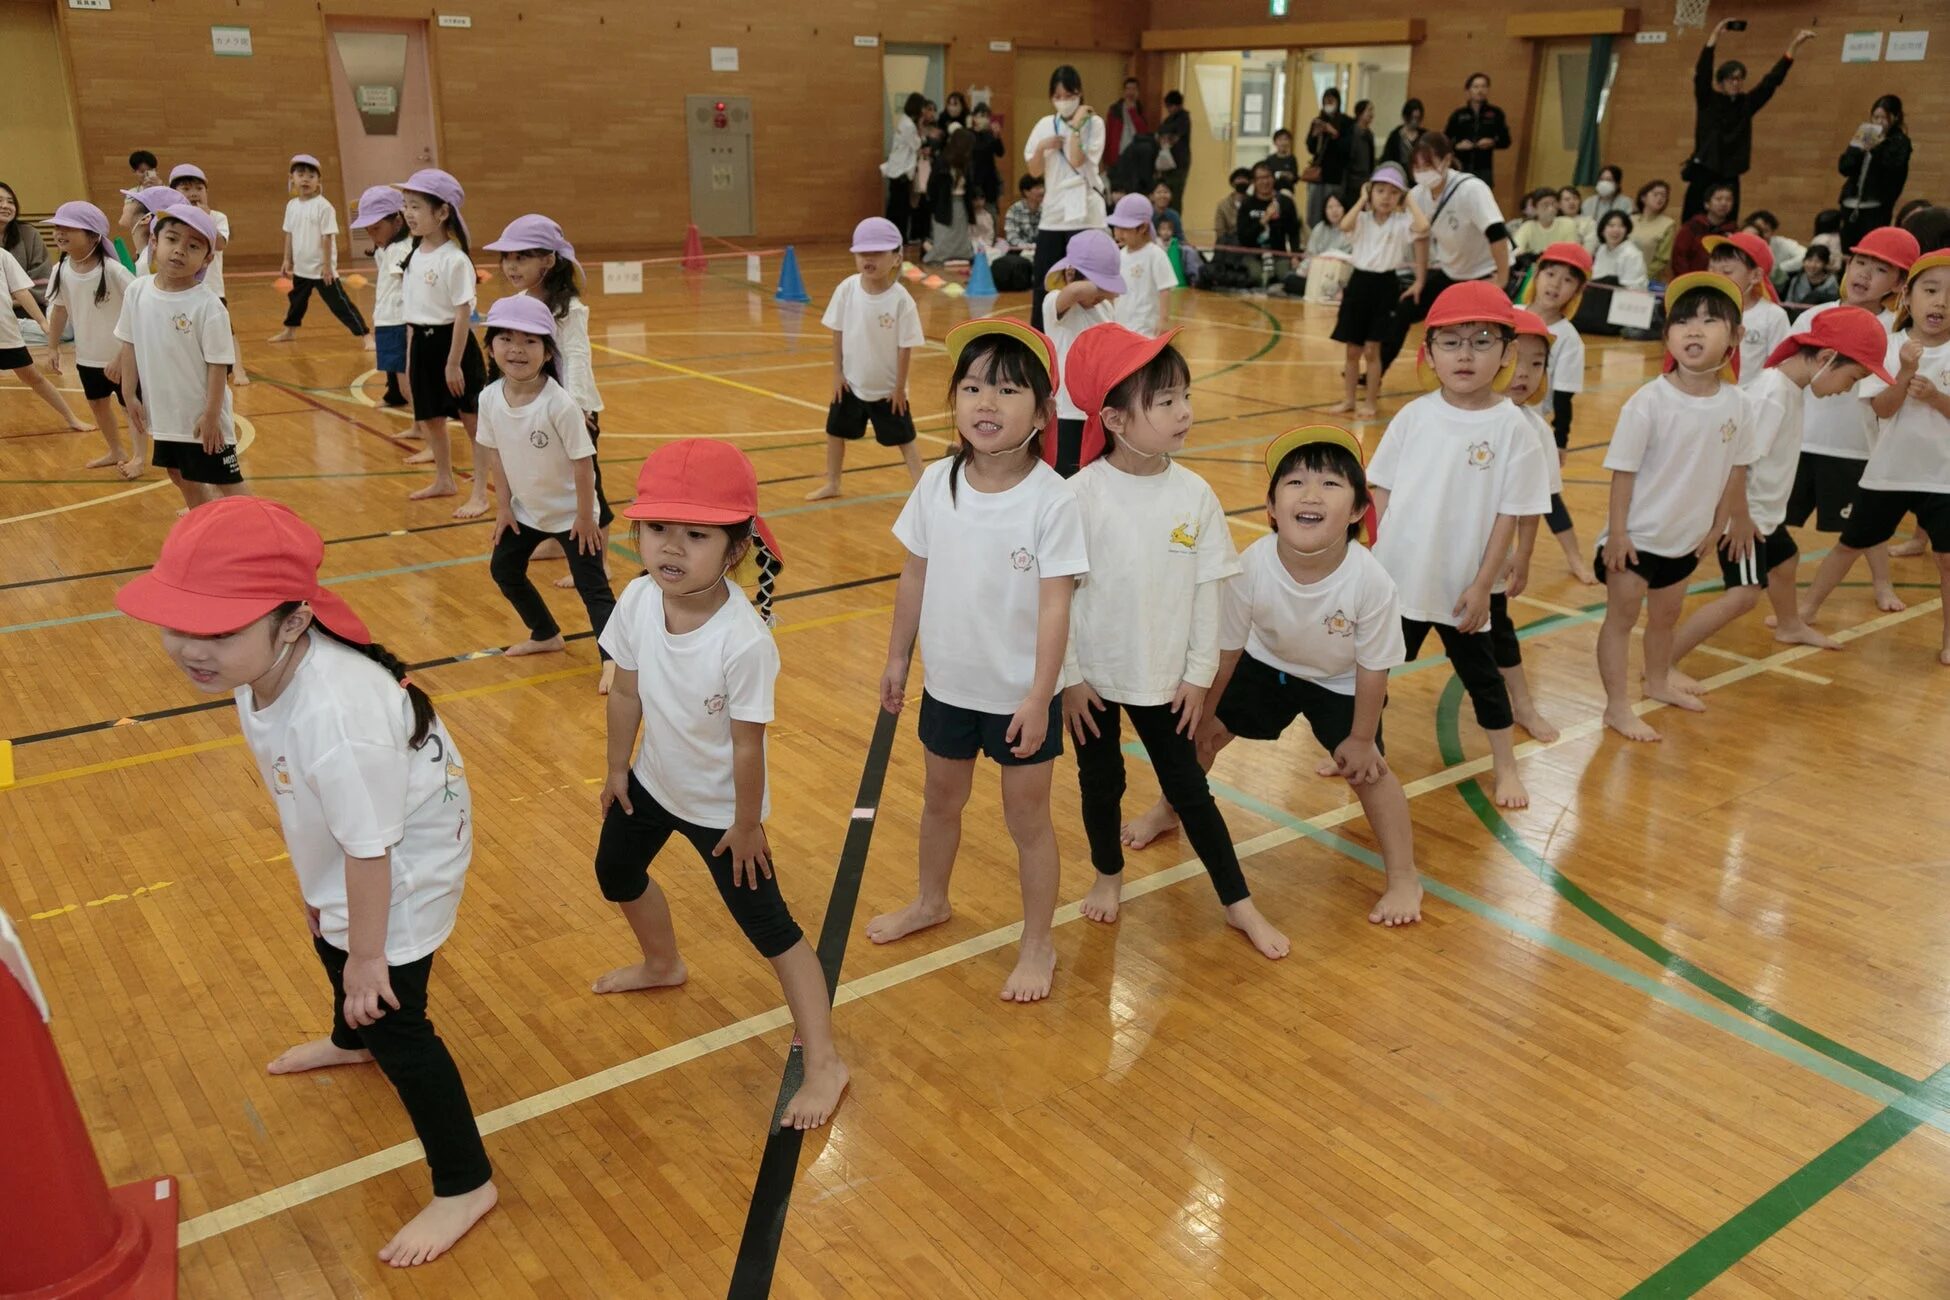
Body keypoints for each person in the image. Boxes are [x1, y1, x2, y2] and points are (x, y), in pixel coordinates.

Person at [113, 497, 501, 1266]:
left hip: (400, 868)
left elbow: (372, 851)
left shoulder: (337, 711)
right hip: (357, 842)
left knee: (394, 1016)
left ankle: (466, 1182)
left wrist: (367, 956)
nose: (191, 647)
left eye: (217, 631)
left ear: (292, 621)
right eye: (177, 624)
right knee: (332, 938)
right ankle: (347, 1040)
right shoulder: (258, 666)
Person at [594, 440, 849, 1128]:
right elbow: (625, 690)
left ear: (734, 549)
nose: (670, 548)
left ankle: (825, 1061)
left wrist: (743, 826)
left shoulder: (743, 641)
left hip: (721, 813)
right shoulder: (641, 598)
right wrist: (619, 768)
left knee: (773, 932)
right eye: (656, 530)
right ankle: (662, 963)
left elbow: (747, 744)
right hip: (651, 783)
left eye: (696, 535)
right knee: (615, 873)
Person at [869, 319, 1090, 1004]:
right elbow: (914, 575)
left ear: (1043, 413)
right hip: (950, 687)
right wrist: (899, 658)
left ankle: (1038, 942)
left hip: (1021, 696)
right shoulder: (938, 482)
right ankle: (931, 899)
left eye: (1006, 389)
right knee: (941, 802)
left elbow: (1057, 607)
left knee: (1027, 822)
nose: (985, 403)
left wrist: (1038, 696)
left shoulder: (1054, 500)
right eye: (971, 387)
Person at [1057, 324, 1291, 955]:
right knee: (1099, 782)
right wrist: (1069, 679)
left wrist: (1197, 677)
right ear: (1113, 417)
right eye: (1165, 401)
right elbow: (1053, 602)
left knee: (1189, 788)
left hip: (1169, 681)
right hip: (1093, 680)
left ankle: (1239, 902)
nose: (1185, 410)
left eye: (1184, 394)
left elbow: (1207, 593)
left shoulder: (1195, 494)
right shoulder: (1076, 498)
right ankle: (1108, 875)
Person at [1369, 283, 1551, 807]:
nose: (1465, 354)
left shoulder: (1514, 429)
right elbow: (1379, 489)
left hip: (1460, 591)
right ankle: (1362, 747)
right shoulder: (1414, 416)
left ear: (1506, 354)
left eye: (1481, 340)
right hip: (1396, 581)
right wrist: (1366, 560)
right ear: (1429, 354)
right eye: (1451, 343)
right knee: (1372, 675)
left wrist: (1481, 585)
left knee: (1485, 683)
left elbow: (1508, 516)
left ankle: (1505, 765)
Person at [1668, 306, 1891, 679]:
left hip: (1761, 514)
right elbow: (1734, 462)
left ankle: (1790, 624)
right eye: (1852, 379)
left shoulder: (1788, 389)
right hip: (1743, 517)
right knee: (1743, 597)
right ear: (1825, 358)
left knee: (1785, 561)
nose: (1846, 391)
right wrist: (1738, 519)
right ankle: (1663, 662)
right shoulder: (1772, 394)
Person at [1593, 273, 1754, 741]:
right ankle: (1617, 706)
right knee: (1621, 619)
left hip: (1687, 540)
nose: (1695, 330)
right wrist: (1618, 533)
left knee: (1665, 617)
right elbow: (1623, 473)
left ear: (1736, 337)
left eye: (1709, 320)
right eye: (1682, 322)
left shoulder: (1738, 405)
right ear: (1667, 337)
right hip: (1637, 539)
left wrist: (1716, 527)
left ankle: (1659, 680)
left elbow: (1735, 469)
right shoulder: (1647, 403)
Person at [1795, 250, 1950, 663]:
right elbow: (1881, 408)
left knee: (1947, 559)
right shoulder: (1889, 344)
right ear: (1908, 297)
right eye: (1931, 291)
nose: (1940, 302)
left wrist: (1936, 397)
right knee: (1850, 544)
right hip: (1887, 471)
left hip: (1942, 476)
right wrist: (1902, 375)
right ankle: (1805, 611)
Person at [473, 296, 615, 687]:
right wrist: (504, 508)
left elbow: (584, 464)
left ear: (548, 351)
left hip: (573, 514)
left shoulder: (559, 404)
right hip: (526, 512)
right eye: (506, 338)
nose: (516, 349)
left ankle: (615, 660)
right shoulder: (489, 399)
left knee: (593, 589)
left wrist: (586, 517)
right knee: (504, 569)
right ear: (491, 347)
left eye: (530, 341)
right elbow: (496, 456)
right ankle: (545, 633)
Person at [1782, 225, 1916, 613]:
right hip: (1800, 439)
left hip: (1855, 446)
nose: (1863, 275)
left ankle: (1882, 583)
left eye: (1879, 270)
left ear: (1898, 283)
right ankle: (1759, 576)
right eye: (1860, 263)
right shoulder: (1814, 317)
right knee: (1775, 515)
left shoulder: (1896, 335)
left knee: (1864, 528)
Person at [115, 205, 245, 508]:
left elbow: (218, 366)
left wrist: (212, 415)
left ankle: (260, 542)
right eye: (172, 239)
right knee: (179, 473)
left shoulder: (208, 305)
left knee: (228, 483)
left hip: (202, 417)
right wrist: (128, 394)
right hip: (163, 412)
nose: (179, 251)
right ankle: (207, 530)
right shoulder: (137, 291)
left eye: (193, 246)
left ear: (207, 259)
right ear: (154, 243)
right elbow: (129, 344)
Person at [1489, 309, 1571, 741]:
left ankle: (1522, 706)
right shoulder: (1463, 414)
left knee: (1500, 635)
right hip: (1429, 560)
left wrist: (1522, 556)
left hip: (1487, 565)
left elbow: (1533, 504)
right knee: (1392, 645)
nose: (1524, 373)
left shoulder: (1535, 429)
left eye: (1537, 364)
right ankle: (1358, 734)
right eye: (1517, 360)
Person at [807, 217, 926, 500]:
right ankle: (833, 483)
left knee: (906, 441)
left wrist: (899, 387)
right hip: (850, 385)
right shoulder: (847, 289)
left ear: (896, 258)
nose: (868, 259)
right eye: (863, 254)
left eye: (877, 253)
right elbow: (837, 333)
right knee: (834, 433)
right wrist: (837, 374)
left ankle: (924, 492)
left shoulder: (901, 300)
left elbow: (905, 347)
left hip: (887, 390)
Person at [1380, 133, 1510, 374]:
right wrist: (1419, 281)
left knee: (1477, 330)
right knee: (1406, 308)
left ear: (1447, 160)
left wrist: (1501, 280)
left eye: (1428, 165)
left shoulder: (1471, 189)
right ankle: (1376, 371)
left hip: (1485, 274)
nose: (1422, 171)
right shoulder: (1418, 195)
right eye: (1417, 166)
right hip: (1452, 273)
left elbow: (1497, 234)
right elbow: (1421, 238)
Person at [396, 169, 486, 509]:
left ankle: (480, 493)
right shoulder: (414, 255)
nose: (408, 213)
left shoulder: (455, 260)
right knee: (431, 419)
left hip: (454, 345)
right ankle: (444, 479)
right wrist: (409, 360)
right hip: (421, 343)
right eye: (406, 205)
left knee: (472, 421)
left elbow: (463, 313)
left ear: (443, 212)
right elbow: (412, 312)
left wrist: (453, 363)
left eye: (416, 206)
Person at [1520, 244, 1599, 584]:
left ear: (1577, 291)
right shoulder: (1508, 313)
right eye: (1550, 274)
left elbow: (1564, 396)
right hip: (1488, 415)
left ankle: (1575, 558)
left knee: (1547, 495)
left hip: (1532, 424)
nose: (1555, 284)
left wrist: (1561, 441)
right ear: (1536, 275)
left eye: (1567, 280)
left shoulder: (1568, 339)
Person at [1681, 20, 1815, 220]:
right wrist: (1714, 37)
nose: (1736, 83)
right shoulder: (1708, 100)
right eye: (1731, 79)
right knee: (1693, 223)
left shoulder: (1746, 104)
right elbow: (1702, 73)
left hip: (1730, 174)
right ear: (1721, 82)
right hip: (1704, 170)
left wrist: (1793, 46)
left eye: (1739, 79)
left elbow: (1771, 82)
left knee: (1728, 225)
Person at [41, 201, 135, 473]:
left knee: (131, 405)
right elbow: (59, 310)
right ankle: (116, 450)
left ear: (94, 236)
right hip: (87, 357)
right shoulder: (61, 270)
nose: (60, 233)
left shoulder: (113, 270)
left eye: (68, 228)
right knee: (97, 404)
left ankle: (139, 455)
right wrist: (52, 347)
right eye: (58, 227)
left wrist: (124, 353)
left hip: (121, 357)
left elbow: (138, 305)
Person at [1329, 166, 1425, 419]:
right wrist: (1361, 199)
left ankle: (1370, 402)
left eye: (1393, 193)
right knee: (1352, 349)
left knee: (1373, 350)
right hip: (1359, 283)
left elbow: (1423, 226)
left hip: (1384, 286)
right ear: (1371, 193)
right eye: (1380, 191)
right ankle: (1348, 399)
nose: (1386, 197)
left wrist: (1411, 199)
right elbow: (1344, 225)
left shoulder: (1402, 223)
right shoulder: (1361, 220)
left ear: (1400, 198)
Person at [1024, 66, 1107, 331]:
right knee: (1045, 284)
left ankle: (1087, 339)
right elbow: (1034, 170)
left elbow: (1076, 158)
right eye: (1057, 95)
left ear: (1079, 93)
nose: (1063, 100)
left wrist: (1075, 126)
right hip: (1054, 216)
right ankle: (1041, 343)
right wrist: (1042, 146)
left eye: (1068, 94)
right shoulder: (1044, 125)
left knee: (1086, 284)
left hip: (1087, 215)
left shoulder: (1093, 123)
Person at [1044, 229, 1124, 476]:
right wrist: (1092, 283)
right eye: (1098, 291)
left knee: (1092, 479)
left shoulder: (1106, 310)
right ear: (1070, 274)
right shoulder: (1056, 304)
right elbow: (1075, 292)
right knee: (1064, 480)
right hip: (1066, 413)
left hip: (1097, 415)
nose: (1100, 298)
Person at [271, 154, 368, 344]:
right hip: (301, 269)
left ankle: (365, 335)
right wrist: (286, 259)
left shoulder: (324, 207)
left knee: (339, 304)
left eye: (311, 176)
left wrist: (327, 266)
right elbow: (289, 234)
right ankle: (289, 331)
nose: (305, 179)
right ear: (292, 178)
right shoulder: (291, 206)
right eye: (300, 174)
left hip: (322, 271)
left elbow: (327, 237)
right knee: (296, 302)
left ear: (318, 181)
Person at [168, 163, 248, 388]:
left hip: (212, 289)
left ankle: (238, 368)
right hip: (181, 290)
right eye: (185, 188)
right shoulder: (171, 219)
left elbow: (220, 244)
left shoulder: (217, 217)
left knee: (226, 331)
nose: (193, 193)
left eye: (198, 188)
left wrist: (205, 219)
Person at [0, 235, 88, 434]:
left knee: (34, 378)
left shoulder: (3, 256)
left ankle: (71, 417)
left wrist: (42, 322)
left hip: (5, 333)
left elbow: (21, 291)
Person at [350, 187, 411, 409]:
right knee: (392, 363)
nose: (373, 235)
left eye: (376, 228)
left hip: (398, 318)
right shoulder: (384, 249)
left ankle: (421, 418)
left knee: (404, 369)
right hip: (386, 316)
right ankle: (394, 394)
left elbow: (408, 283)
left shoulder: (400, 249)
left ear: (398, 221)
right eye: (368, 230)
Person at [1707, 229, 1788, 386]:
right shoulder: (1702, 311)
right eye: (1711, 269)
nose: (1715, 277)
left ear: (1755, 276)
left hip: (1752, 405)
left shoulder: (1773, 316)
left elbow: (1779, 369)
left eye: (1727, 271)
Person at [1838, 95, 1912, 253]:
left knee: (1869, 250)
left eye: (1883, 118)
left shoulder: (1899, 141)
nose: (1878, 122)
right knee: (1847, 250)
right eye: (1875, 117)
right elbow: (1844, 167)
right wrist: (1859, 150)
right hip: (1850, 202)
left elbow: (1894, 170)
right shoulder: (1866, 134)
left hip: (1875, 207)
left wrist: (1877, 149)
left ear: (1895, 117)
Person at [1107, 194, 1176, 337]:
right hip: (1122, 326)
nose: (1118, 233)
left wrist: (1163, 320)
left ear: (1143, 228)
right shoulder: (1119, 255)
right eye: (1116, 227)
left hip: (1146, 329)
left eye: (1124, 228)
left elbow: (1165, 290)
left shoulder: (1155, 254)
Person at [1237, 162, 1303, 286]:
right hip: (1253, 254)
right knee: (1256, 277)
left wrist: (1295, 256)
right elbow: (1243, 238)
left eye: (1268, 177)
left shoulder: (1285, 202)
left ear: (1273, 179)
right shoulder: (1246, 204)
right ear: (1254, 182)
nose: (1265, 182)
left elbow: (1293, 232)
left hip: (1278, 254)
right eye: (1260, 178)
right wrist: (1263, 220)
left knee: (1286, 277)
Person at [1445, 74, 1511, 185]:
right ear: (1468, 90)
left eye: (1483, 86)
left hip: (1484, 168)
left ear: (1488, 89)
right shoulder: (1459, 114)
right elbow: (1445, 140)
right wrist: (1457, 146)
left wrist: (1492, 143)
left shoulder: (1495, 113)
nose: (1480, 90)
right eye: (1476, 87)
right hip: (1461, 166)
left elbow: (1506, 141)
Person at [882, 93, 926, 253]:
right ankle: (895, 238)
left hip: (899, 171)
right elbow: (916, 144)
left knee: (897, 206)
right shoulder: (909, 125)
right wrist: (920, 128)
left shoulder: (905, 122)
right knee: (898, 207)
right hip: (900, 172)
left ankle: (897, 237)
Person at [925, 129, 977, 264]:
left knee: (961, 233)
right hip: (944, 203)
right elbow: (932, 186)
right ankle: (939, 256)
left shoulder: (967, 163)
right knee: (944, 232)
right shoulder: (942, 162)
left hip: (961, 202)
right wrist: (934, 206)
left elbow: (970, 186)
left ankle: (963, 255)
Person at [1305, 89, 1354, 229]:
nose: (1328, 104)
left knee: (1334, 210)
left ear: (1338, 102)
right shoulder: (1318, 120)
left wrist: (1333, 133)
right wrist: (1315, 135)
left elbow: (1347, 149)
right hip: (1317, 176)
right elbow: (1310, 148)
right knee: (1314, 212)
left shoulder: (1346, 122)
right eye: (1326, 101)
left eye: (1331, 101)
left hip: (1336, 175)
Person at [1670, 181, 1737, 277]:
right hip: (1689, 282)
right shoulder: (1692, 227)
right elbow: (1679, 257)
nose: (1724, 203)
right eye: (1718, 199)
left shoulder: (1733, 231)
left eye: (1728, 200)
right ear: (1707, 204)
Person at [0, 181, 52, 297]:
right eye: (0, 201)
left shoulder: (29, 233)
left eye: (10, 202)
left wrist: (10, 300)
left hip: (26, 305)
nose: (5, 205)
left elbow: (43, 279)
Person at [1631, 179, 1679, 283]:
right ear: (1643, 198)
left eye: (1664, 196)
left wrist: (1641, 276)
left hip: (1648, 280)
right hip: (1623, 276)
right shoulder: (1630, 220)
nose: (1660, 198)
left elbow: (1662, 259)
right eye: (1656, 194)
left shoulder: (1668, 224)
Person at [1743, 210, 1805, 288]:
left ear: (1772, 232)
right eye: (1758, 231)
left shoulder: (1781, 243)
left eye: (1765, 231)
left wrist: (1780, 268)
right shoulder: (1743, 246)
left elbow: (1805, 256)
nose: (1761, 235)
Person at [1592, 212, 1650, 292]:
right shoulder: (1602, 249)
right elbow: (1596, 279)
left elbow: (1633, 288)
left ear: (1626, 231)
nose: (1616, 230)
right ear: (1602, 230)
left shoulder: (1632, 254)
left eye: (1621, 226)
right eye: (1611, 225)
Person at [1157, 90, 1193, 212]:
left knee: (1176, 195)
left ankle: (1175, 223)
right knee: (1165, 194)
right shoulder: (1169, 120)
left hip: (1179, 163)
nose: (1168, 109)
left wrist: (1166, 139)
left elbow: (1174, 137)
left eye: (1169, 106)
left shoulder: (1184, 119)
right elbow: (1160, 133)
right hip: (1168, 163)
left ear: (1177, 105)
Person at [1515, 188, 1578, 257]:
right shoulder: (1528, 226)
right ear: (1535, 208)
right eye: (1545, 205)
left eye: (1553, 204)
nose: (1551, 209)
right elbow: (1516, 251)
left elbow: (1570, 252)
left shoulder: (1568, 224)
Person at [967, 102, 1005, 211]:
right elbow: (975, 150)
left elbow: (1000, 153)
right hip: (974, 178)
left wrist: (997, 137)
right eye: (981, 116)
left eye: (987, 116)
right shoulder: (969, 134)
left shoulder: (990, 134)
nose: (985, 119)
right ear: (974, 117)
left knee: (990, 212)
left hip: (989, 180)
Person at [1105, 77, 1150, 168]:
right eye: (1128, 89)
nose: (1131, 92)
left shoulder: (1140, 110)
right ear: (1124, 91)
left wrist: (1132, 111)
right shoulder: (1115, 110)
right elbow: (1109, 134)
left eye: (1134, 89)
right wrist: (1106, 159)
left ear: (1138, 92)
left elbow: (1144, 132)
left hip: (1136, 156)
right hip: (1118, 156)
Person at [1344, 100, 1379, 202]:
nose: (1372, 114)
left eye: (1372, 110)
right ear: (1360, 113)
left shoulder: (1370, 134)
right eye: (1369, 110)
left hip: (1365, 180)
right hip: (1351, 181)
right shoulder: (1351, 132)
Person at [1381, 99, 1426, 174]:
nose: (1415, 122)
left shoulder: (1424, 136)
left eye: (1417, 118)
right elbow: (1387, 159)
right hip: (1399, 174)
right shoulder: (1395, 136)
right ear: (1406, 116)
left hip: (1419, 175)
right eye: (1412, 118)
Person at [1214, 168, 1253, 247]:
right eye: (1239, 178)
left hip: (1249, 243)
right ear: (1232, 183)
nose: (1242, 181)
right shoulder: (1223, 205)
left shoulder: (1254, 203)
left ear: (1250, 182)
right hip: (1229, 243)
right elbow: (1220, 230)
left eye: (1245, 179)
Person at [1004, 175, 1045, 250]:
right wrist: (1027, 246)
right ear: (1026, 192)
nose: (1042, 191)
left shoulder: (1046, 209)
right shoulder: (1014, 210)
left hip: (1042, 250)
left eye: (1043, 187)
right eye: (1038, 188)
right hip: (1020, 252)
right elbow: (1011, 236)